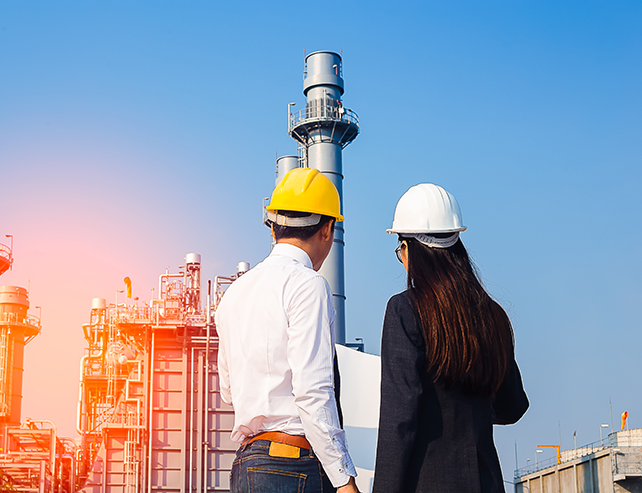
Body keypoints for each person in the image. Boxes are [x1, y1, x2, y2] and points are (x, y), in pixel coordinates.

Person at [373, 183, 529, 493]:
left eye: (400, 249)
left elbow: (399, 421)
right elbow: (513, 406)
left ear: (409, 248)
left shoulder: (405, 310)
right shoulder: (492, 315)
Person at [216, 167, 359, 493]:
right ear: (328, 229)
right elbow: (313, 393)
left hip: (247, 464)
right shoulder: (309, 286)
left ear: (273, 229)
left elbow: (228, 391)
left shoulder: (233, 293)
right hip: (293, 463)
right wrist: (344, 480)